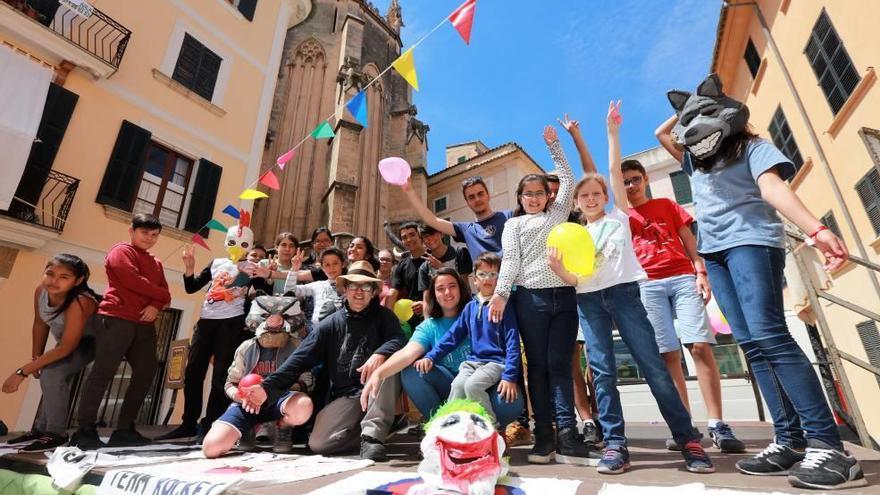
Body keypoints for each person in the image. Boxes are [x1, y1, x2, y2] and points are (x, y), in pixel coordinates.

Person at [657, 74, 864, 490]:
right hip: (714, 253)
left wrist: (815, 230)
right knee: (751, 345)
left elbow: (773, 188)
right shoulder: (694, 160)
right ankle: (788, 440)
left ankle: (830, 447)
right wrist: (687, 109)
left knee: (771, 336)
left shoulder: (753, 147)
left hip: (751, 242)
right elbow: (660, 133)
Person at [553, 102, 713, 475]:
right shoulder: (577, 233)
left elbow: (608, 169)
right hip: (589, 301)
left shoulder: (619, 218)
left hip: (626, 295)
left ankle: (688, 439)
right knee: (603, 373)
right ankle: (615, 445)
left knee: (653, 368)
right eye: (585, 196)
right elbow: (579, 279)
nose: (591, 199)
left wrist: (612, 132)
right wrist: (561, 271)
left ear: (605, 197)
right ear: (576, 203)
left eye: (597, 194)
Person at [619, 157, 744, 453]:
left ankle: (718, 423)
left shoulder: (667, 205)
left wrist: (701, 272)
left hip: (682, 277)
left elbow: (689, 239)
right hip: (647, 285)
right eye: (625, 181)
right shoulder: (621, 215)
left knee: (699, 345)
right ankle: (685, 427)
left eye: (636, 178)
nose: (631, 185)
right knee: (667, 355)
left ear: (645, 179)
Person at [487, 125, 594, 465]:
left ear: (548, 195)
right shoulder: (513, 226)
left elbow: (567, 174)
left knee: (560, 364)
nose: (533, 197)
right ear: (519, 199)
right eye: (527, 194)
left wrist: (554, 145)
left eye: (538, 192)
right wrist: (501, 294)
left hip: (563, 299)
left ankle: (567, 433)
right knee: (538, 367)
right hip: (529, 301)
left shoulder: (558, 213)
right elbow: (512, 261)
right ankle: (544, 436)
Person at [229, 261, 406, 461]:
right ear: (345, 290)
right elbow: (299, 359)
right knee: (319, 444)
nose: (359, 292)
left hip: (376, 386)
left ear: (373, 291)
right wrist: (266, 387)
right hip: (348, 395)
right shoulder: (330, 324)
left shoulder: (385, 317)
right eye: (353, 286)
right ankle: (378, 430)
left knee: (386, 366)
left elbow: (400, 340)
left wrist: (380, 353)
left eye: (365, 286)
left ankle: (374, 437)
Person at [360, 264, 524, 426]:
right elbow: (407, 353)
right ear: (433, 294)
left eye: (452, 286)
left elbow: (512, 343)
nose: (447, 292)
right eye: (440, 288)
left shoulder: (483, 310)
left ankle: (486, 430)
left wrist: (509, 376)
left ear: (461, 288)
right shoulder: (430, 326)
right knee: (412, 371)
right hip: (452, 386)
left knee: (508, 401)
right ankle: (442, 427)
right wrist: (379, 374)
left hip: (486, 382)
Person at [71, 213, 171, 450]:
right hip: (116, 319)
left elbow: (165, 293)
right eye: (144, 232)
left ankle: (124, 429)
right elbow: (131, 281)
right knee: (103, 372)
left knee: (147, 371)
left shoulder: (156, 263)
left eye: (154, 235)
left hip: (144, 324)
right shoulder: (121, 251)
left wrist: (156, 305)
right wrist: (161, 296)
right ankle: (84, 429)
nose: (149, 238)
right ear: (132, 231)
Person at [2, 254, 100, 452]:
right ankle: (40, 430)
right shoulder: (41, 291)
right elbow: (40, 324)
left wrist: (23, 372)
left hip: (94, 342)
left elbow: (68, 347)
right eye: (50, 273)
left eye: (64, 277)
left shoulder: (80, 302)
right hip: (67, 342)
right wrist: (36, 357)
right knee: (50, 373)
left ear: (78, 281)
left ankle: (57, 434)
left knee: (53, 373)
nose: (54, 281)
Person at [415, 254, 519, 426]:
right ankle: (448, 424)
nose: (488, 279)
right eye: (483, 274)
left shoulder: (504, 307)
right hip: (473, 362)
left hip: (496, 362)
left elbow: (512, 342)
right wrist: (431, 356)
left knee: (472, 386)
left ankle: (489, 425)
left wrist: (509, 376)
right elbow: (452, 336)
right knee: (457, 385)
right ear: (474, 280)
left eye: (494, 275)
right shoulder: (470, 307)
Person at [205, 295, 314, 455]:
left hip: (281, 401)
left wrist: (278, 388)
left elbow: (308, 381)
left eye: (280, 318)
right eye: (270, 317)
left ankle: (283, 427)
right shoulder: (246, 347)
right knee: (211, 448)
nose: (275, 323)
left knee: (304, 405)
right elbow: (230, 384)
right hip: (247, 404)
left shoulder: (295, 346)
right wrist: (241, 396)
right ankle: (247, 428)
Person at [400, 176, 511, 261]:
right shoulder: (466, 229)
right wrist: (410, 191)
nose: (477, 199)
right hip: (488, 288)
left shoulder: (509, 216)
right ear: (467, 202)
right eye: (471, 197)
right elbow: (431, 220)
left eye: (480, 194)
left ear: (488, 195)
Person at [282, 247, 345, 324]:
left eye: (335, 263)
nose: (331, 268)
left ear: (343, 264)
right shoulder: (317, 285)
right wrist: (294, 270)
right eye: (327, 265)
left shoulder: (350, 284)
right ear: (322, 267)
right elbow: (290, 291)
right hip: (317, 330)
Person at [416, 224, 472, 307]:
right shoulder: (424, 267)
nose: (430, 239)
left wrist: (442, 268)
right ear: (422, 241)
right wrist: (427, 319)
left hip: (463, 310)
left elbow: (465, 287)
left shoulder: (460, 253)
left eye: (433, 234)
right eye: (425, 236)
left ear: (441, 234)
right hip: (440, 314)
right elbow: (427, 301)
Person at [386, 222, 426, 322]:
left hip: (436, 315)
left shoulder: (434, 259)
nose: (409, 239)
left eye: (412, 235)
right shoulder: (401, 265)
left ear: (420, 236)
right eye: (404, 237)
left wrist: (426, 304)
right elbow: (392, 294)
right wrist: (388, 322)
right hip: (411, 318)